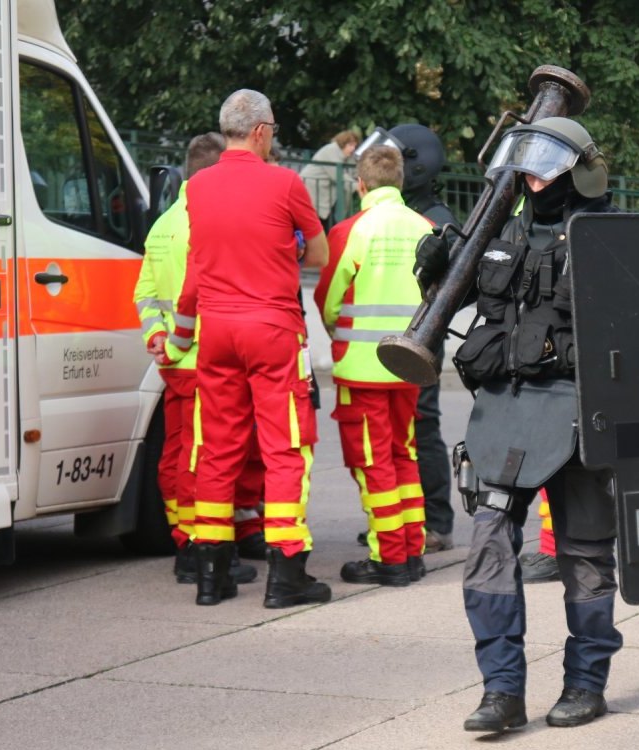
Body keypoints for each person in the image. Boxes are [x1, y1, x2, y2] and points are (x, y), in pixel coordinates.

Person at [425, 116, 622, 733]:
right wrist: (437, 268)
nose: (533, 178)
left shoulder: (609, 238)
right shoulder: (497, 234)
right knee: (486, 546)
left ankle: (586, 684)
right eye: (528, 165)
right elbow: (440, 311)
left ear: (581, 172)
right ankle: (502, 690)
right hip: (505, 415)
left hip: (578, 415)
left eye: (548, 166)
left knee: (586, 557)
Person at [167, 89, 330, 608]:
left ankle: (212, 574)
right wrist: (289, 244)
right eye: (274, 131)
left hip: (216, 332)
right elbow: (320, 253)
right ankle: (287, 574)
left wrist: (181, 335)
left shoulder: (198, 187)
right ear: (260, 131)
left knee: (217, 447)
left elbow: (195, 268)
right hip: (272, 331)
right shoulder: (285, 182)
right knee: (285, 447)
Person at [132, 132, 260, 586]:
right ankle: (200, 549)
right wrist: (182, 342)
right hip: (209, 361)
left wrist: (160, 339)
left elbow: (145, 294)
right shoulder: (205, 222)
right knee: (206, 458)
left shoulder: (163, 223)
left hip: (174, 365)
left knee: (178, 452)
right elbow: (201, 293)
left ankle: (184, 537)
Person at [316, 145, 432, 587]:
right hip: (408, 368)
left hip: (363, 371)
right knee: (403, 455)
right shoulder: (426, 227)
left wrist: (340, 335)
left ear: (361, 184)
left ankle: (389, 559)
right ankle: (411, 549)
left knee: (372, 462)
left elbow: (327, 298)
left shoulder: (351, 230)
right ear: (400, 182)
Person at [350, 123, 457, 554]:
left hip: (421, 337)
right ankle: (395, 523)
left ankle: (434, 522)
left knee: (420, 427)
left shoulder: (436, 220)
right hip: (399, 337)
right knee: (397, 435)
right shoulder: (410, 214)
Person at [300, 129, 361, 231]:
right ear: (343, 143)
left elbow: (353, 171)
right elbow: (340, 176)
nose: (353, 148)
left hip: (321, 192)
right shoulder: (331, 151)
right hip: (311, 189)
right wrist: (359, 187)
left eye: (355, 146)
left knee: (321, 224)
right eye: (350, 145)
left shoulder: (347, 155)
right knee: (315, 224)